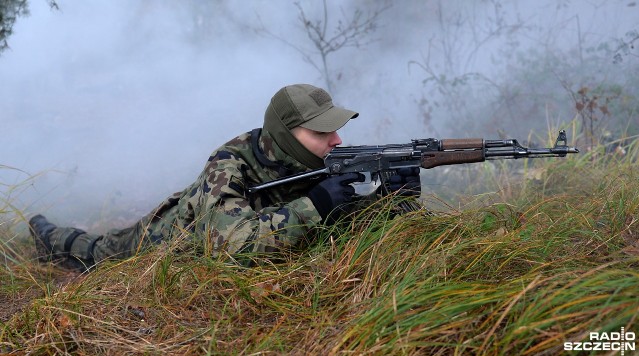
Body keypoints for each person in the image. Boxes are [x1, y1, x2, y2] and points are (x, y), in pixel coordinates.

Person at [29, 84, 421, 271]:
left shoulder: (315, 159)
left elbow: (338, 225)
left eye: (334, 130)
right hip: (165, 238)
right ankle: (44, 233)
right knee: (98, 253)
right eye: (322, 132)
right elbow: (230, 247)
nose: (337, 140)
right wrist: (315, 204)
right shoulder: (229, 162)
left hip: (210, 229)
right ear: (287, 134)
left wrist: (392, 201)